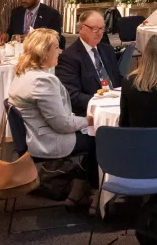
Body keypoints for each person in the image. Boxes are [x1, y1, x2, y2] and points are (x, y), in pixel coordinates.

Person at [7, 28, 96, 205]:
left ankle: (80, 186)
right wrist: (90, 120)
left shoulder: (23, 73)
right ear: (44, 51)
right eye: (56, 47)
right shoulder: (42, 81)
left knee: (91, 133)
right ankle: (89, 191)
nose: (60, 51)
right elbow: (62, 124)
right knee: (99, 138)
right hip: (47, 141)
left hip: (33, 136)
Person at [55, 10, 121, 115]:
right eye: (94, 29)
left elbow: (118, 79)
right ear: (81, 28)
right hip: (92, 112)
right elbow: (72, 95)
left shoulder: (107, 50)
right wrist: (102, 102)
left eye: (102, 28)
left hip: (116, 105)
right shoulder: (69, 57)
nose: (99, 33)